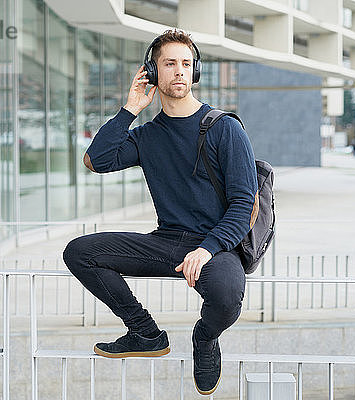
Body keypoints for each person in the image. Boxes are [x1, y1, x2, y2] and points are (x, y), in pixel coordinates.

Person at [62, 28, 258, 396]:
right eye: (169, 64)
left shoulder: (224, 128)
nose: (179, 71)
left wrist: (207, 249)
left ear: (196, 71)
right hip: (166, 242)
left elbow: (242, 204)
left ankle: (205, 339)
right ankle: (144, 332)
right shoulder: (148, 135)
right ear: (152, 72)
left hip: (214, 247)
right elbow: (95, 160)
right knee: (79, 252)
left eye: (186, 63)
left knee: (228, 294)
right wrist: (130, 108)